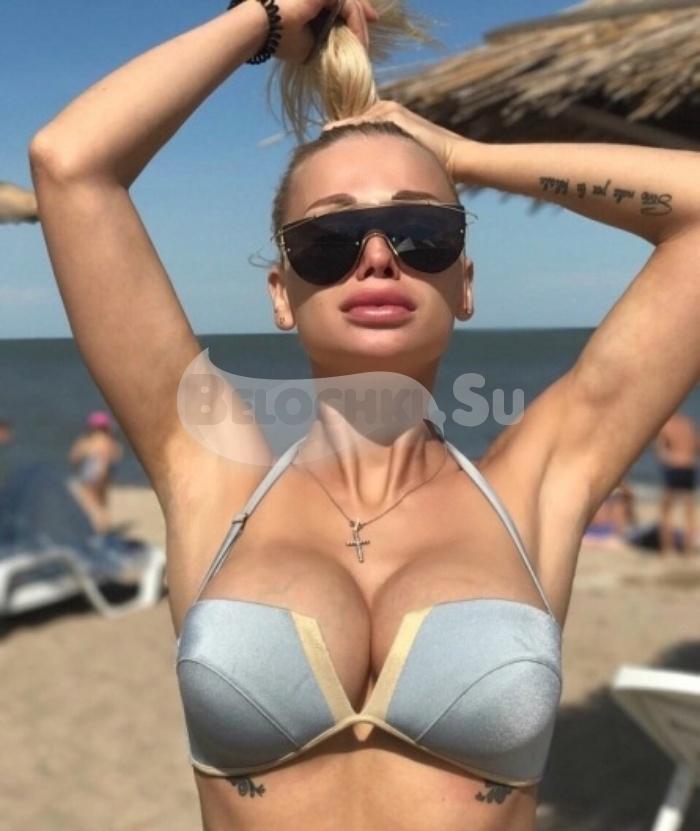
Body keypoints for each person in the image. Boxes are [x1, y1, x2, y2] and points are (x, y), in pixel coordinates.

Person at [28, 1, 700, 828]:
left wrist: (464, 156)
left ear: (464, 283)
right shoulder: (213, 475)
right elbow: (70, 163)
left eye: (420, 230)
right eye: (329, 239)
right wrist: (266, 19)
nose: (377, 255)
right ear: (282, 294)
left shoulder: (534, 490)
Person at [67, 410, 123, 533]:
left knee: (88, 501)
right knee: (102, 502)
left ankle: (93, 528)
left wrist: (76, 463)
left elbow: (74, 456)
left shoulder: (89, 441)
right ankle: (105, 526)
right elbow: (117, 456)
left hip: (91, 471)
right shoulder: (110, 442)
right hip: (107, 474)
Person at [655, 411, 699, 556]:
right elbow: (697, 446)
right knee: (689, 512)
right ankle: (687, 549)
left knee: (665, 511)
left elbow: (661, 451)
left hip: (674, 467)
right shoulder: (688, 424)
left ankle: (667, 549)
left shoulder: (666, 426)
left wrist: (668, 459)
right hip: (689, 467)